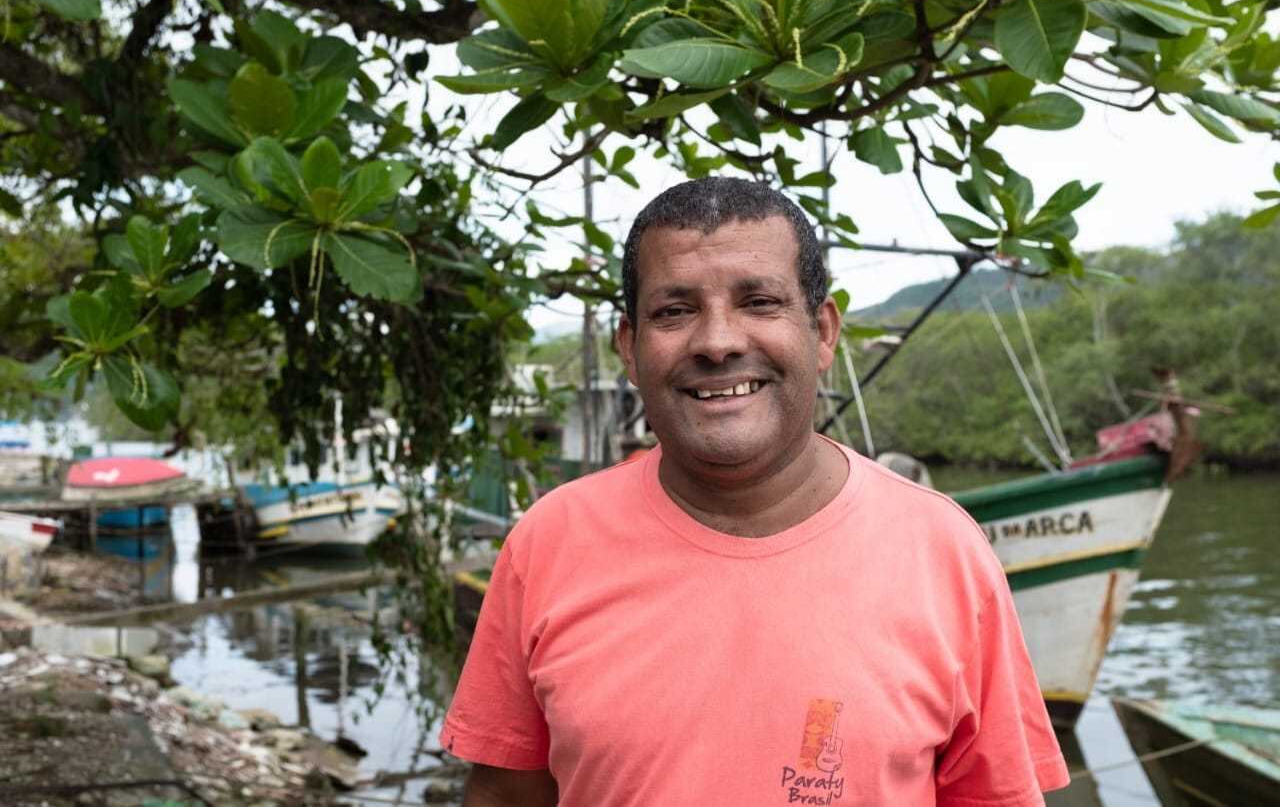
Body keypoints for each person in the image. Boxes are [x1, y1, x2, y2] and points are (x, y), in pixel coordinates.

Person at [440, 177, 1070, 805]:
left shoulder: (943, 550)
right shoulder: (549, 542)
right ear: (630, 349)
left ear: (822, 333)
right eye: (675, 311)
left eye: (760, 301)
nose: (718, 342)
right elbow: (503, 792)